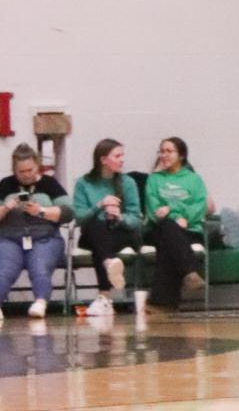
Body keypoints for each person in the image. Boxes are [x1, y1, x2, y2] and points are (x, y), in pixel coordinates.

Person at [72, 137, 144, 316]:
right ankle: (109, 266)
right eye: (117, 156)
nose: (122, 160)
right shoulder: (84, 183)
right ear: (103, 160)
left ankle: (104, 298)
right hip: (93, 232)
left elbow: (135, 218)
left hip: (122, 233)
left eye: (122, 155)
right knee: (97, 227)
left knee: (102, 248)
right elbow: (80, 218)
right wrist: (100, 205)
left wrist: (120, 217)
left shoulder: (128, 183)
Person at [0, 144, 71, 321]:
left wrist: (41, 211)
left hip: (44, 238)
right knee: (5, 270)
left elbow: (68, 212)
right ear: (14, 170)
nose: (26, 175)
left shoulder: (49, 183)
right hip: (11, 239)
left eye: (30, 170)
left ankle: (40, 301)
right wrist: (6, 208)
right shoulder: (6, 185)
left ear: (37, 166)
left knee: (40, 267)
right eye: (21, 171)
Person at [144, 137, 213, 310]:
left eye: (169, 151)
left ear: (181, 155)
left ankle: (162, 302)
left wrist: (178, 212)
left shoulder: (194, 179)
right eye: (162, 151)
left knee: (168, 243)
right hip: (160, 227)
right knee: (168, 228)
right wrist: (177, 216)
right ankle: (189, 272)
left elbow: (199, 205)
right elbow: (154, 210)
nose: (164, 155)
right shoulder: (154, 179)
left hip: (188, 227)